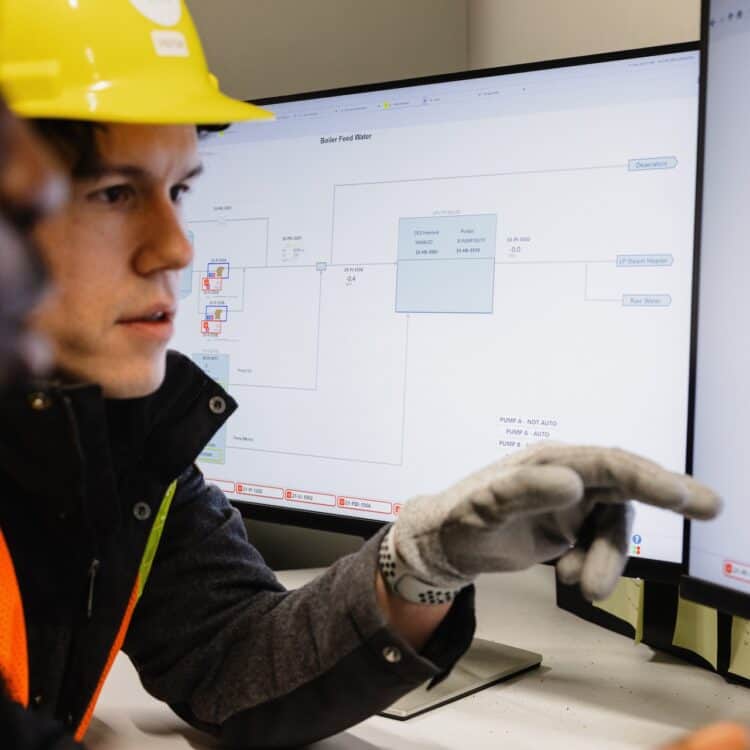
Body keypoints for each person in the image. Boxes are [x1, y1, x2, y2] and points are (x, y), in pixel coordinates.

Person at [0, 2, 732, 748]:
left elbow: (228, 657)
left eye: (179, 189)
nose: (178, 247)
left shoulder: (106, 434)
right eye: (114, 193)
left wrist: (421, 564)